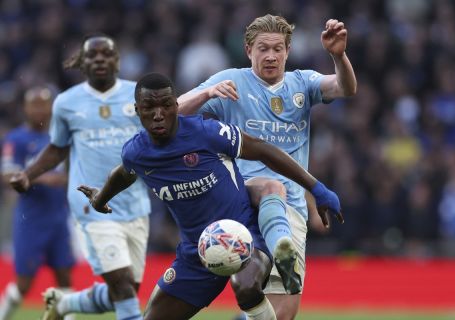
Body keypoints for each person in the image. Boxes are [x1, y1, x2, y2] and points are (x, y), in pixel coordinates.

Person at [77, 72, 341, 320]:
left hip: (246, 234)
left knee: (245, 287)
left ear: (176, 106)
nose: (159, 114)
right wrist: (100, 199)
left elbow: (261, 149)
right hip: (197, 253)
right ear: (137, 111)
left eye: (167, 105)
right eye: (149, 107)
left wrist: (316, 188)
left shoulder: (206, 132)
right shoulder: (137, 153)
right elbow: (124, 173)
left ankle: (279, 250)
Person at [178, 14, 356, 319]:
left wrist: (338, 56)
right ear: (249, 51)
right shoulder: (231, 81)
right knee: (267, 188)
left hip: (290, 208)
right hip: (241, 200)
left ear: (288, 51)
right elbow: (175, 111)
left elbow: (345, 88)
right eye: (263, 48)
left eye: (277, 48)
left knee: (281, 314)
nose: (270, 56)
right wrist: (207, 93)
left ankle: (249, 307)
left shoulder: (303, 83)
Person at [9, 34, 151, 320]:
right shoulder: (66, 102)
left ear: (117, 61)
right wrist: (28, 174)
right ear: (82, 64)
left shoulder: (138, 95)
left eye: (106, 53)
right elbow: (57, 148)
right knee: (122, 286)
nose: (99, 59)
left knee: (125, 290)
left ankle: (64, 305)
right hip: (91, 204)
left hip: (135, 204)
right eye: (92, 55)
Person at [0, 87, 75, 320]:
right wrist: (40, 177)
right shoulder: (16, 139)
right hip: (30, 219)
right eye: (35, 104)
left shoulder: (59, 138)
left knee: (64, 277)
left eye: (44, 104)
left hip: (58, 217)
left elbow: (73, 171)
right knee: (24, 282)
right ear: (25, 108)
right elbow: (6, 175)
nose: (40, 110)